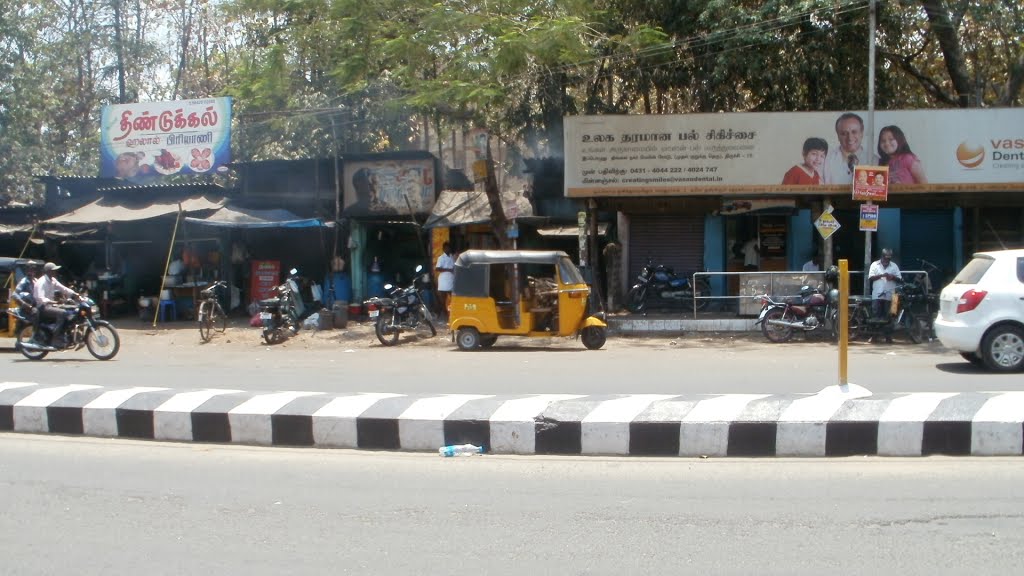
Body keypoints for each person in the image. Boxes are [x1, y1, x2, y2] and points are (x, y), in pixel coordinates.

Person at [822, 113, 878, 185]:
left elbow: (875, 193)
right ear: (838, 135)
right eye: (844, 133)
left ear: (861, 133)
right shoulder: (827, 159)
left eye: (854, 132)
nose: (850, 138)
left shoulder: (875, 160)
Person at [33, 262, 79, 347]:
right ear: (48, 271)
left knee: (70, 311)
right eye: (54, 270)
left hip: (50, 306)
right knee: (62, 313)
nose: (55, 272)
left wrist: (75, 295)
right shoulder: (41, 282)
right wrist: (53, 302)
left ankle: (66, 334)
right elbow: (40, 298)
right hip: (42, 307)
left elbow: (63, 288)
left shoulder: (53, 280)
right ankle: (56, 338)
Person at [867, 248, 902, 343]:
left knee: (890, 317)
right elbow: (870, 278)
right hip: (877, 295)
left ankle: (888, 337)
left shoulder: (894, 266)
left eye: (889, 259)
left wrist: (892, 277)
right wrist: (882, 275)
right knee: (876, 316)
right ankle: (874, 337)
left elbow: (900, 279)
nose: (887, 260)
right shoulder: (874, 265)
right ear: (882, 257)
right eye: (886, 258)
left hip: (891, 295)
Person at [435, 242, 455, 317]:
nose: (448, 249)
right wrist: (448, 270)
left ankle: (450, 313)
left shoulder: (452, 257)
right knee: (442, 299)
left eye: (449, 248)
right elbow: (437, 268)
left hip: (451, 280)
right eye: (447, 248)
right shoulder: (441, 258)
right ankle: (440, 313)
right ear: (444, 249)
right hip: (443, 281)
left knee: (453, 298)